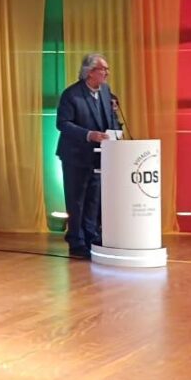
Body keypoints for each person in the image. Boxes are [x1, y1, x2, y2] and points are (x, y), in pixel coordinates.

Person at [56, 53, 121, 259]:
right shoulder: (71, 94)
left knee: (94, 198)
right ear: (90, 72)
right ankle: (76, 240)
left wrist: (115, 129)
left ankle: (91, 236)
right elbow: (63, 124)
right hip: (75, 155)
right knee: (77, 200)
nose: (107, 73)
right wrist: (89, 135)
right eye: (103, 69)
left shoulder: (106, 92)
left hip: (99, 156)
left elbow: (109, 119)